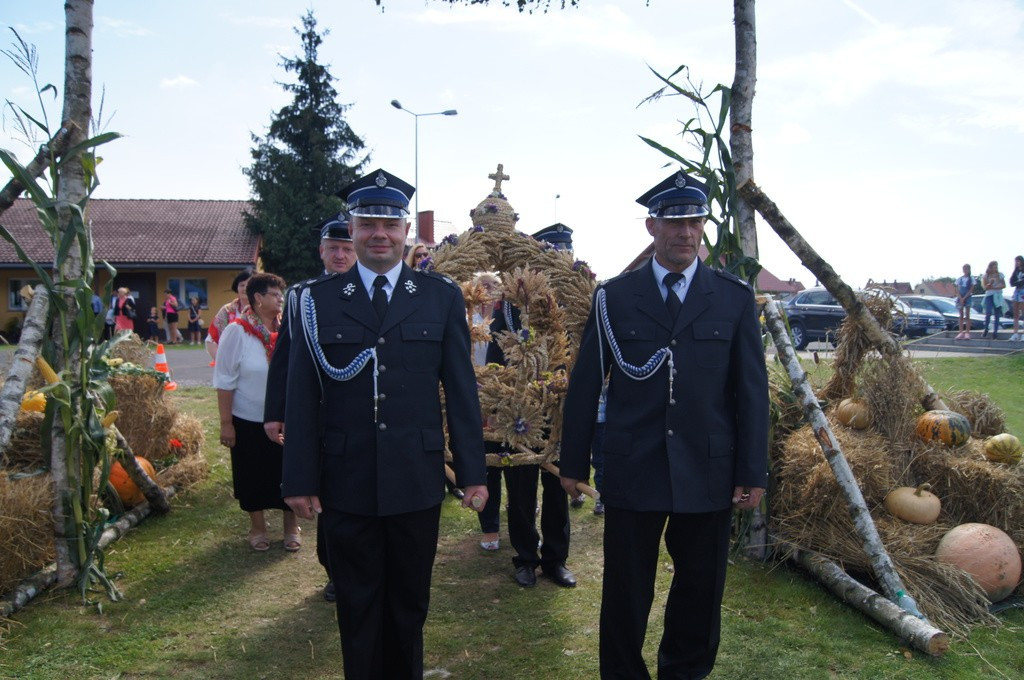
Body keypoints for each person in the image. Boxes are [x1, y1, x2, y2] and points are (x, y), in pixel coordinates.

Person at [559, 170, 769, 679]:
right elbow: (587, 384)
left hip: (708, 468)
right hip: (635, 465)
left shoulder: (733, 298)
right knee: (626, 590)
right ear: (651, 226)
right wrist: (572, 463)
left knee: (701, 589)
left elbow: (751, 394)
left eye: (694, 220)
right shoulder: (614, 297)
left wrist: (753, 471)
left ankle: (684, 672)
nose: (686, 232)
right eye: (674, 222)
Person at [281, 168, 488, 679]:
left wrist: (474, 471)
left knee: (410, 603)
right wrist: (299, 478)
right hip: (345, 478)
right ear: (350, 229)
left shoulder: (439, 296)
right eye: (368, 222)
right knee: (356, 603)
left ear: (406, 232)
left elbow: (460, 390)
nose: (380, 233)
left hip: (415, 478)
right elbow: (302, 396)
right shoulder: (314, 301)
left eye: (390, 224)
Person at [476, 225, 577, 587]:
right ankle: (525, 558)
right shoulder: (513, 309)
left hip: (559, 410)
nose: (559, 264)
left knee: (557, 486)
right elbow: (494, 354)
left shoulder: (574, 307)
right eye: (554, 257)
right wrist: (498, 399)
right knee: (520, 486)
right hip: (519, 410)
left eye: (566, 255)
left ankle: (555, 559)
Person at [263, 212, 356, 603]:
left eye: (346, 248)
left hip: (356, 414)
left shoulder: (373, 294)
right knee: (329, 499)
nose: (340, 255)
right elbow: (286, 357)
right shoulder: (305, 297)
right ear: (321, 251)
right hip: (317, 416)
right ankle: (334, 571)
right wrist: (274, 411)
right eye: (333, 248)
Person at [213, 272, 300, 552]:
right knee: (252, 474)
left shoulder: (289, 327)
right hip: (248, 419)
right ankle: (258, 527)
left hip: (287, 418)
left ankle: (291, 526)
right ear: (258, 299)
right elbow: (224, 380)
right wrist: (227, 423)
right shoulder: (236, 331)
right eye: (275, 294)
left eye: (281, 294)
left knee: (290, 472)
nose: (280, 300)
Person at [206, 270, 253, 360]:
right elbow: (210, 339)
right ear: (237, 288)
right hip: (231, 362)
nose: (245, 288)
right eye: (242, 285)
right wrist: (222, 362)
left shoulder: (264, 310)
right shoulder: (227, 310)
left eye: (249, 285)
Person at [981, 260, 1006, 340]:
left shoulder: (1000, 275)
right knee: (988, 312)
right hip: (989, 295)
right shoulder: (986, 276)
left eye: (996, 266)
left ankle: (995, 332)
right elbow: (985, 287)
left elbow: (1003, 285)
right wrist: (990, 283)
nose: (995, 268)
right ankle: (986, 328)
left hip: (998, 295)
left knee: (997, 314)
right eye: (994, 266)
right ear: (990, 267)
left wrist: (995, 287)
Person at [954, 264, 974, 340]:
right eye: (964, 269)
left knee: (967, 315)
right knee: (961, 315)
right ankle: (961, 332)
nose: (965, 270)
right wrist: (960, 298)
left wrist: (965, 297)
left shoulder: (971, 279)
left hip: (968, 297)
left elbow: (971, 290)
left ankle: (967, 332)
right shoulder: (959, 279)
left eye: (967, 269)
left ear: (969, 270)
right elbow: (957, 290)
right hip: (960, 297)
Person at [1009, 255, 1024, 342]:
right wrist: (1017, 283)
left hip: (1023, 291)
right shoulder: (1016, 271)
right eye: (1016, 261)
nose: (1017, 263)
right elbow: (1011, 282)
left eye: (1018, 261)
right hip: (1016, 291)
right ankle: (1015, 333)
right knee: (1015, 313)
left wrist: (1018, 282)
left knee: (1023, 312)